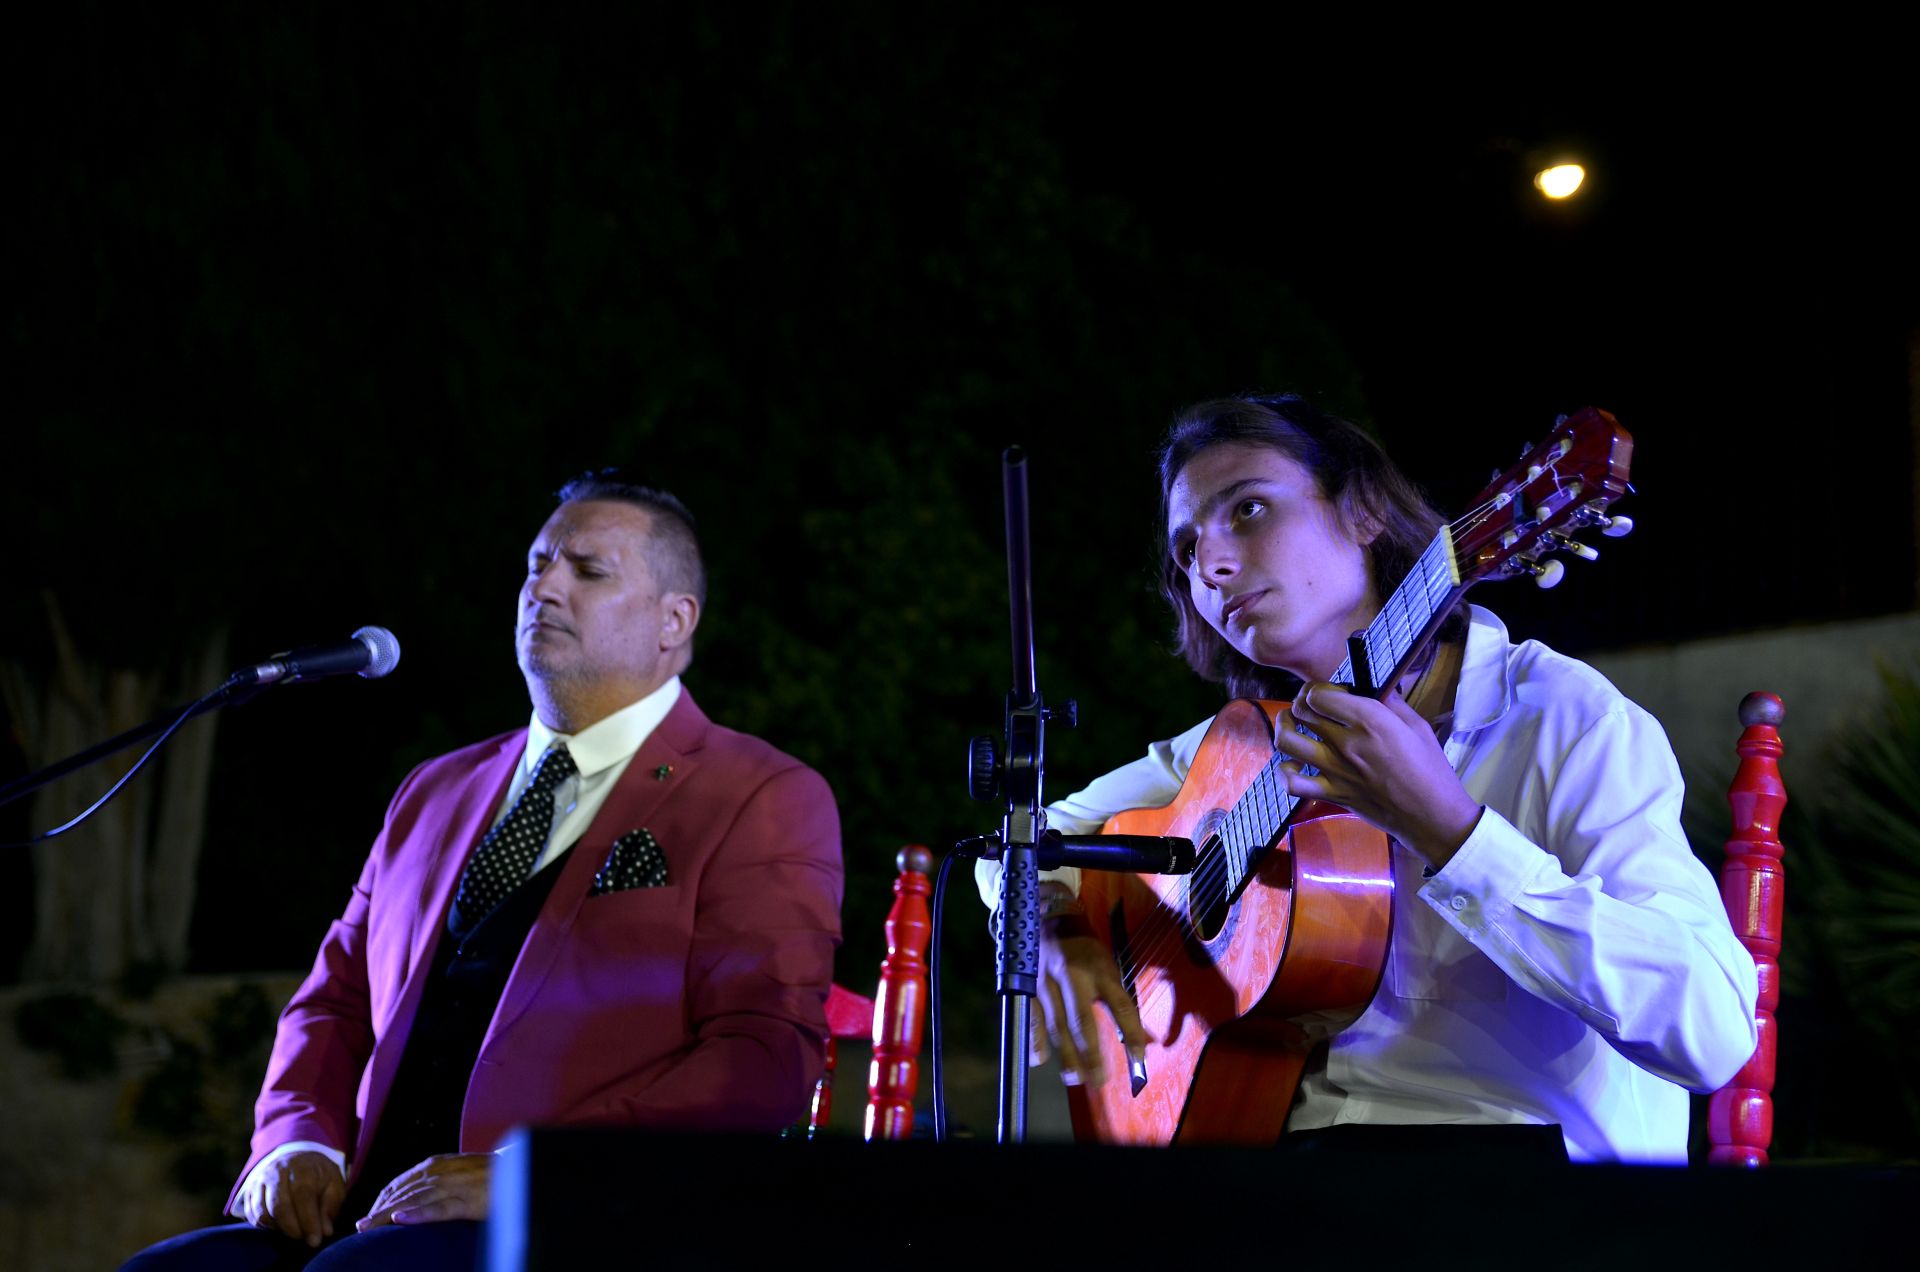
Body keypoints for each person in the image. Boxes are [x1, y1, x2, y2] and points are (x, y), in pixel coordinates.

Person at [977, 393, 1758, 1163]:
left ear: (1363, 512)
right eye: (1186, 550)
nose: (1210, 565)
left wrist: (1450, 832)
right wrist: (1054, 933)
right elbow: (1007, 853)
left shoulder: (1565, 718)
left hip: (1517, 1194)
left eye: (1246, 510)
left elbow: (1712, 1031)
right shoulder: (1228, 759)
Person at [127, 472, 844, 1269]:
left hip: (566, 1226)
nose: (545, 588)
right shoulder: (435, 788)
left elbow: (761, 1056)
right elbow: (335, 997)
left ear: (674, 621)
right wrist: (294, 1143)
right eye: (536, 566)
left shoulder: (761, 794)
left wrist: (536, 1177)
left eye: (588, 570)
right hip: (358, 1209)